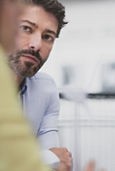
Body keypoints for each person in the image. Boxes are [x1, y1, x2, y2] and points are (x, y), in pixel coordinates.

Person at [5, 0, 72, 170]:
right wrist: (47, 158)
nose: (37, 45)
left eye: (47, 37)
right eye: (26, 28)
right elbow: (51, 158)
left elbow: (57, 161)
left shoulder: (45, 88)